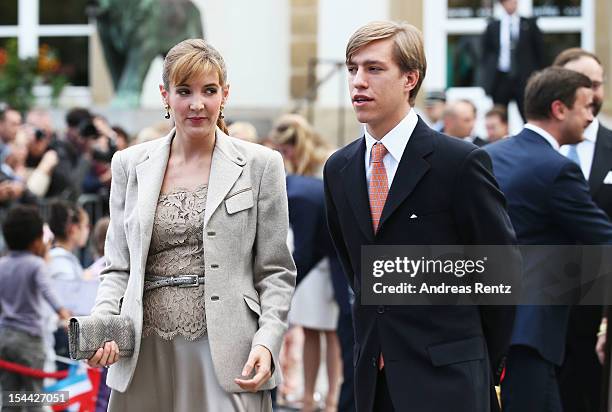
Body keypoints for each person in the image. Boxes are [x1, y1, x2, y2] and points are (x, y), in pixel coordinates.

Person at [88, 38, 296, 412]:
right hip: (142, 349)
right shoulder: (129, 164)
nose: (197, 104)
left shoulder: (261, 165)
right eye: (184, 91)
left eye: (209, 90)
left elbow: (276, 271)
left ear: (225, 94)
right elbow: (118, 265)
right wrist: (104, 324)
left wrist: (268, 341)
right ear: (165, 95)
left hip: (230, 350)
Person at [324, 21, 517, 412]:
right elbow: (355, 269)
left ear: (410, 78)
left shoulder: (460, 163)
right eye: (352, 68)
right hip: (373, 381)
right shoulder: (338, 168)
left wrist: (478, 360)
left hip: (449, 380)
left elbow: (501, 271)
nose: (358, 81)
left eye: (374, 69)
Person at [484, 67, 612, 412]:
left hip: (487, 322)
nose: (591, 115)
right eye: (586, 106)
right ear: (559, 109)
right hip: (532, 331)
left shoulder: (491, 155)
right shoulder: (557, 169)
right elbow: (604, 238)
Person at [269, 114, 348, 412]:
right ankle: (307, 396)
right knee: (309, 328)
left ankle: (331, 398)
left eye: (285, 150)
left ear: (294, 145)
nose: (283, 156)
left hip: (328, 257)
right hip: (307, 253)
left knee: (333, 331)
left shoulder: (327, 163)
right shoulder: (293, 170)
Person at [548, 47, 612, 412]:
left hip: (600, 316)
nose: (592, 94)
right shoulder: (534, 151)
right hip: (543, 313)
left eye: (598, 84)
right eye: (582, 84)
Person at [0, 206, 71, 410]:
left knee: (9, 396)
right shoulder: (35, 264)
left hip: (4, 337)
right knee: (34, 396)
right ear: (35, 241)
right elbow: (48, 292)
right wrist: (64, 314)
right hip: (29, 340)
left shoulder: (2, 264)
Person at [481, 0, 544, 120]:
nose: (512, 4)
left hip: (524, 79)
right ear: (502, 4)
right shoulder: (493, 26)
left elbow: (539, 52)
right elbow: (486, 54)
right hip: (501, 78)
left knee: (528, 114)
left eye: (514, 1)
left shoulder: (529, 24)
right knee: (500, 116)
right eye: (508, 2)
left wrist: (537, 76)